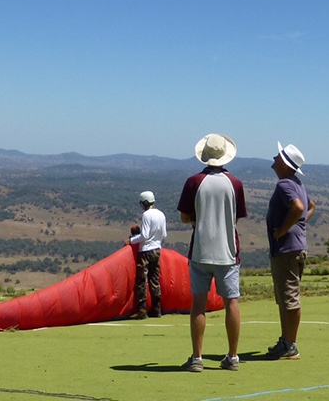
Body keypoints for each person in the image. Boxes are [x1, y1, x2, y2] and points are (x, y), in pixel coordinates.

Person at [177, 133, 247, 372]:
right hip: (228, 251)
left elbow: (185, 216)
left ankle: (197, 358)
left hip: (200, 250)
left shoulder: (193, 182)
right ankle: (233, 357)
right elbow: (237, 217)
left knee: (198, 304)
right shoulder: (235, 183)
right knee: (232, 302)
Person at [264, 142, 315, 361]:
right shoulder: (297, 183)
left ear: (285, 163)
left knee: (290, 298)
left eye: (278, 155)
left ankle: (290, 345)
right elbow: (311, 206)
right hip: (293, 247)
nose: (274, 157)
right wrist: (298, 226)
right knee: (285, 298)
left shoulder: (285, 185)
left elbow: (300, 208)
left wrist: (283, 230)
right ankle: (285, 341)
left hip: (287, 249)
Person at [129, 190, 167, 319]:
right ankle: (157, 309)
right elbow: (164, 235)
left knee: (141, 281)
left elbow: (144, 235)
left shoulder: (146, 215)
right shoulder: (161, 214)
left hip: (145, 251)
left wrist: (131, 240)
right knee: (154, 280)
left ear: (144, 203)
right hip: (157, 250)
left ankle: (142, 311)